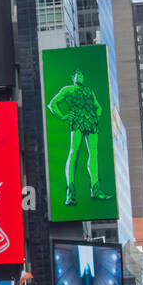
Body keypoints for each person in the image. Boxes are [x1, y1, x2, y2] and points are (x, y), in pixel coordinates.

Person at [46, 68, 112, 206]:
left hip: (91, 122)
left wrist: (96, 116)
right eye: (78, 74)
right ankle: (70, 191)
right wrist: (63, 116)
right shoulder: (68, 89)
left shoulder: (89, 91)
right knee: (74, 152)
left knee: (93, 153)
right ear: (73, 77)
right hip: (77, 121)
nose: (81, 76)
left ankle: (95, 189)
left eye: (82, 74)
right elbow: (52, 104)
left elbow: (98, 107)